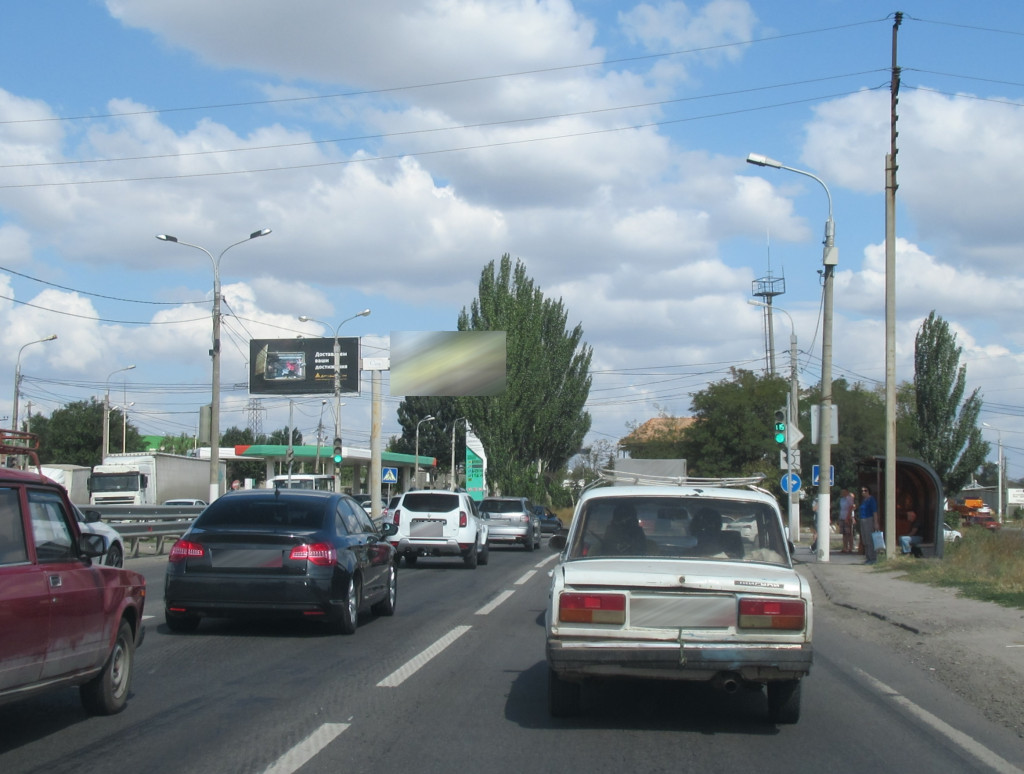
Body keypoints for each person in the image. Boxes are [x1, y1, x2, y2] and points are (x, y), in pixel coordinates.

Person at [858, 485, 881, 564]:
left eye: (865, 490)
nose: (863, 492)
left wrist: (876, 522)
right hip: (862, 519)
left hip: (869, 519)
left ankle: (873, 558)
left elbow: (874, 512)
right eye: (862, 491)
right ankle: (868, 557)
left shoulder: (871, 500)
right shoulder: (864, 500)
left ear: (869, 491)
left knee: (870, 540)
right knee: (865, 540)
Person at [839, 488, 856, 553]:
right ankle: (845, 547)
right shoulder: (841, 499)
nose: (842, 493)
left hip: (848, 517)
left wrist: (848, 517)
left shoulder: (849, 499)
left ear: (847, 492)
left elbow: (851, 508)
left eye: (844, 492)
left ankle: (850, 547)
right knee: (844, 533)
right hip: (842, 516)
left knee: (849, 533)